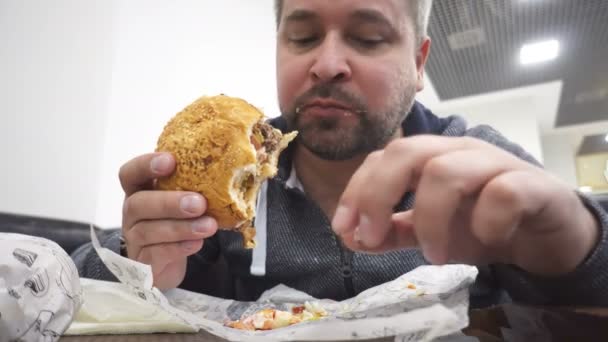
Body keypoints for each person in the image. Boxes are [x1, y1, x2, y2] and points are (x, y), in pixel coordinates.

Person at [73, 0, 608, 308]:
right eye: (302, 38)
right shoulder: (219, 180)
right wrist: (128, 264)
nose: (327, 63)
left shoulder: (474, 158)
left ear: (419, 63)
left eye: (370, 38)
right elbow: (68, 293)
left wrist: (576, 238)